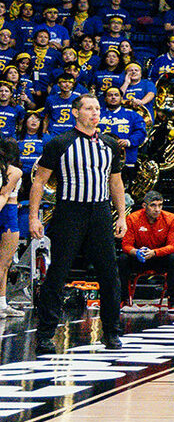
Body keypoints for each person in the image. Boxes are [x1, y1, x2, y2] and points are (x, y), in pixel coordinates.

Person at [30, 94, 131, 354]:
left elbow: (116, 182)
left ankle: (112, 332)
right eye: (89, 108)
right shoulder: (60, 143)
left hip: (100, 212)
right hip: (69, 212)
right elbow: (39, 182)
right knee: (57, 274)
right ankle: (45, 335)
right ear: (76, 112)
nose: (95, 112)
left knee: (109, 274)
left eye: (97, 108)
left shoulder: (109, 144)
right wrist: (33, 217)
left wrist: (121, 215)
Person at [120, 192, 174, 309]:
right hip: (140, 258)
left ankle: (173, 300)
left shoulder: (172, 218)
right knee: (123, 259)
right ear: (144, 206)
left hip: (160, 258)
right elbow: (126, 245)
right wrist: (136, 252)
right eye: (153, 205)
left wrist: (154, 252)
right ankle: (123, 298)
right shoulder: (132, 218)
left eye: (160, 205)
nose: (157, 209)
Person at [0, 138, 24, 317]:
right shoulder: (14, 171)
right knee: (3, 264)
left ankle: (2, 303)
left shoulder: (13, 171)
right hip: (7, 212)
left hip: (8, 210)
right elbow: (3, 195)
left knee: (5, 263)